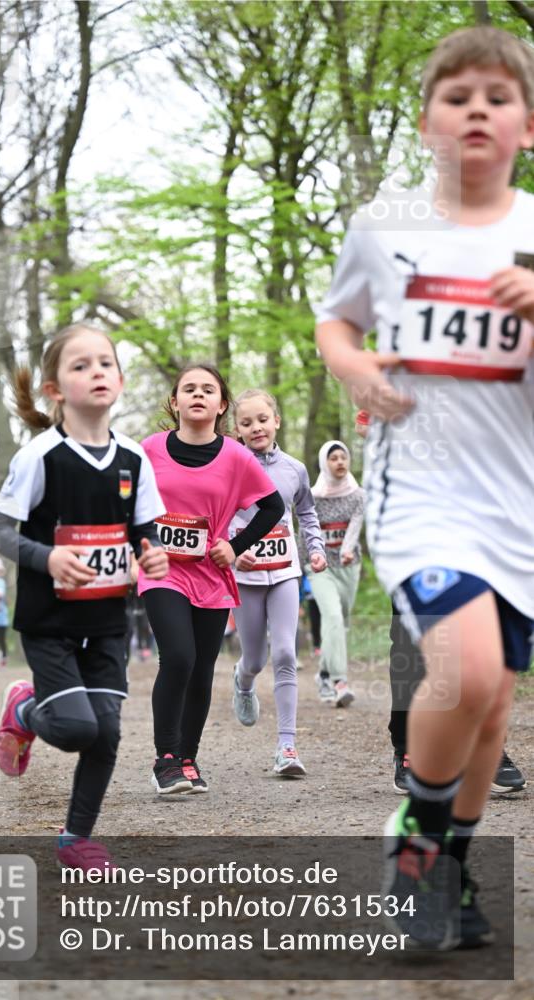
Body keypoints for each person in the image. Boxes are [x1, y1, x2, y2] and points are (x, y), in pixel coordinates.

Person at [316, 26, 534, 949]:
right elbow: (337, 322)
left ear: (528, 122)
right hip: (421, 493)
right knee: (467, 669)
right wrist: (358, 375)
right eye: (457, 95)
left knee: (490, 705)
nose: (476, 108)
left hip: (517, 504)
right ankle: (413, 845)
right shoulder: (385, 228)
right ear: (425, 121)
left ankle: (451, 870)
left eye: (497, 95)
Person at [0, 323, 168, 874]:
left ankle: (76, 839)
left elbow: (145, 533)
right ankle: (23, 706)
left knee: (106, 732)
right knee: (73, 728)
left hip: (110, 617)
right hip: (50, 620)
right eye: (81, 365)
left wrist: (151, 555)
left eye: (105, 363)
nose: (97, 373)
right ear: (55, 389)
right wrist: (48, 558)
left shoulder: (134, 459)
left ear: (121, 378)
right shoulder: (42, 456)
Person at [356, 412, 526, 797]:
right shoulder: (413, 365)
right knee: (413, 641)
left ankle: (486, 744)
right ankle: (406, 747)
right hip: (420, 514)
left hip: (486, 512)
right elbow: (368, 421)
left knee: (487, 642)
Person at [139, 364, 285, 795]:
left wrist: (236, 547)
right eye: (189, 389)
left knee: (202, 670)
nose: (198, 395)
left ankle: (188, 758)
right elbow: (122, 500)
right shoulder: (149, 450)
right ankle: (165, 758)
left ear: (222, 404)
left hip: (210, 574)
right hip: (163, 572)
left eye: (208, 389)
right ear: (175, 401)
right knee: (179, 657)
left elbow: (272, 508)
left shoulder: (236, 457)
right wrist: (141, 544)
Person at [229, 389, 326, 777]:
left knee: (286, 653)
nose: (256, 428)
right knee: (255, 658)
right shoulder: (229, 466)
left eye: (262, 420)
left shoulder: (294, 469)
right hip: (245, 573)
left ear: (277, 421)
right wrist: (234, 550)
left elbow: (307, 512)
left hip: (285, 570)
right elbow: (215, 513)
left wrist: (315, 547)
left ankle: (287, 746)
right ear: (236, 429)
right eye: (247, 422)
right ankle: (243, 679)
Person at [310, 441, 365, 707]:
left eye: (344, 457)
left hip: (348, 565)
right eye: (334, 458)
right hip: (320, 568)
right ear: (324, 463)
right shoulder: (313, 497)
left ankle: (322, 673)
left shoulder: (358, 495)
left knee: (339, 624)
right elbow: (306, 532)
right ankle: (339, 681)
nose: (340, 462)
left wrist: (347, 551)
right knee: (331, 616)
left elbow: (354, 527)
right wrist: (306, 562)